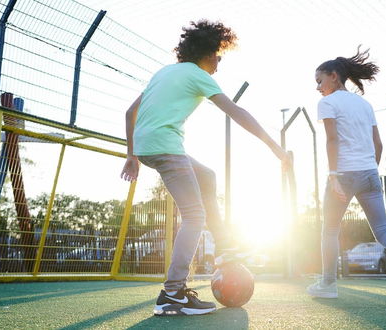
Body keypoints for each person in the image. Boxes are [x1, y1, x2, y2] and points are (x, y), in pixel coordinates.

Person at [120, 20, 290, 316]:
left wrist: (132, 154)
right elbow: (236, 111)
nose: (219, 63)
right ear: (208, 54)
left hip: (146, 146)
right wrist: (274, 147)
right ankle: (172, 293)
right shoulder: (198, 75)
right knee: (194, 215)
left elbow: (130, 112)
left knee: (207, 176)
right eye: (219, 56)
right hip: (165, 146)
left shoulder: (164, 72)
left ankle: (224, 247)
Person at [306, 47, 386, 303]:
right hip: (369, 174)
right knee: (384, 231)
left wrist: (334, 176)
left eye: (319, 81)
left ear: (333, 76)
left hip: (343, 174)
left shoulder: (327, 103)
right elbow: (379, 145)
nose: (318, 88)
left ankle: (328, 284)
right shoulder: (364, 104)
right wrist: (370, 172)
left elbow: (332, 141)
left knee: (330, 230)